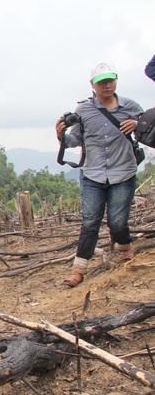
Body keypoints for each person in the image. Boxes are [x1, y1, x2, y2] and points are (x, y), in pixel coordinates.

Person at [55, 62, 143, 287]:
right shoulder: (83, 110)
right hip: (92, 174)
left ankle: (124, 248)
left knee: (118, 222)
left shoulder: (130, 106)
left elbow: (147, 130)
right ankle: (79, 269)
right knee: (90, 222)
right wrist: (61, 136)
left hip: (123, 171)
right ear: (92, 84)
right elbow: (75, 140)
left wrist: (136, 124)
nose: (108, 85)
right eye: (102, 81)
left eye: (111, 80)